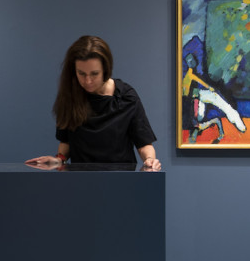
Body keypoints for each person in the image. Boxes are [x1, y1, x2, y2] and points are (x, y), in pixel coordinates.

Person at [25, 35, 161, 171]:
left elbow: (144, 144)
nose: (88, 81)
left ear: (105, 70)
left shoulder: (126, 97)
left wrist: (149, 161)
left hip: (121, 182)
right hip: (81, 182)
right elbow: (66, 142)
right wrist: (58, 160)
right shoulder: (70, 96)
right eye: (81, 73)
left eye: (94, 74)